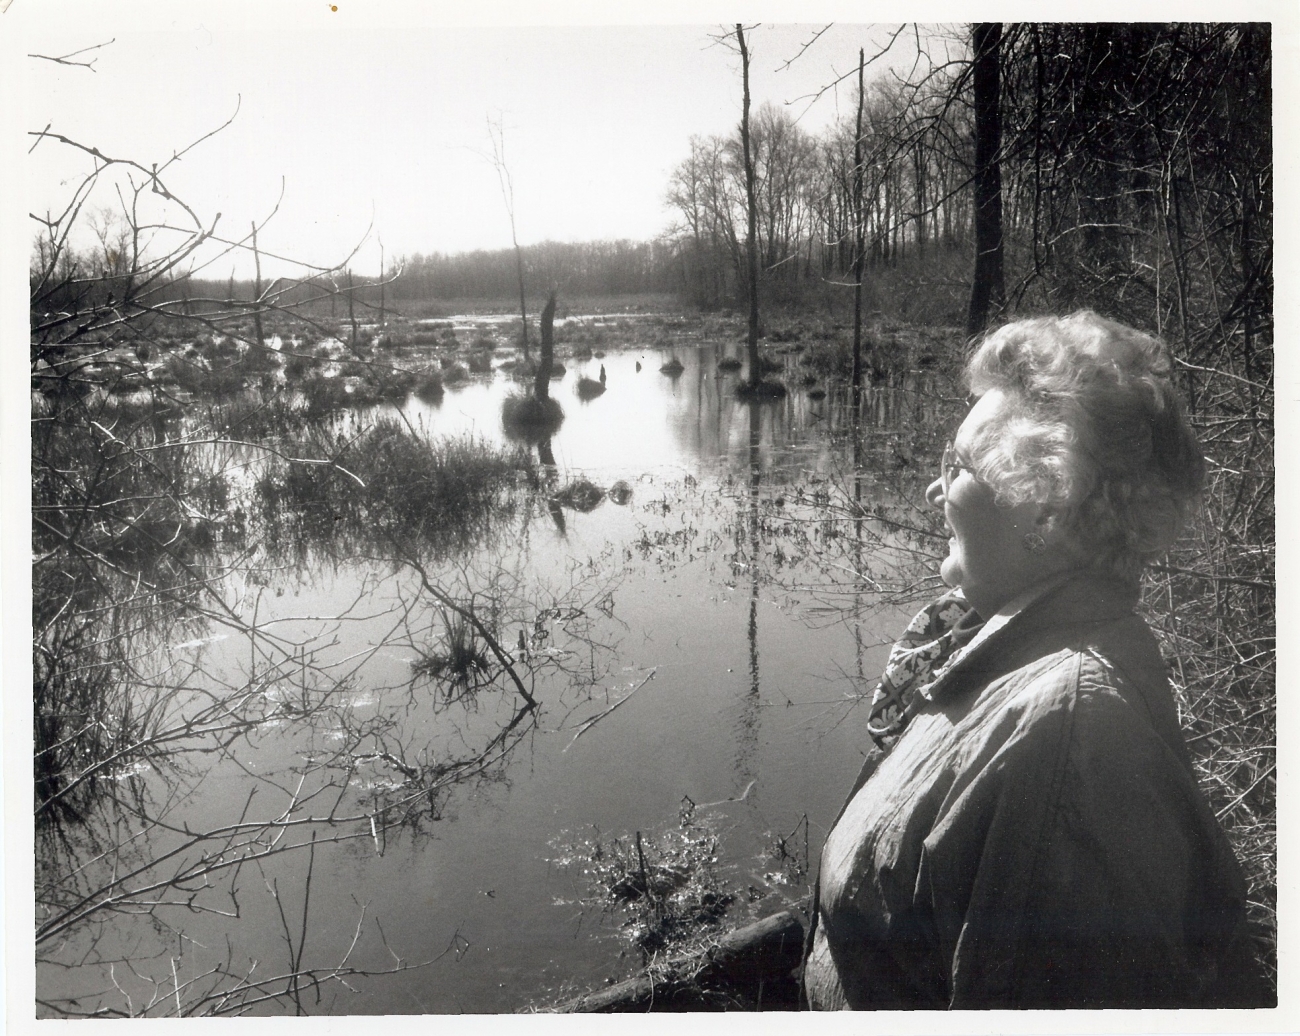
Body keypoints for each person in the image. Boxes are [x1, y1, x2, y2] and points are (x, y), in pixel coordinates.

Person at [803, 311, 1268, 1009]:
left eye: (958, 467)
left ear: (1043, 510)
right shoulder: (1008, 647)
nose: (934, 491)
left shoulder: (1068, 737)